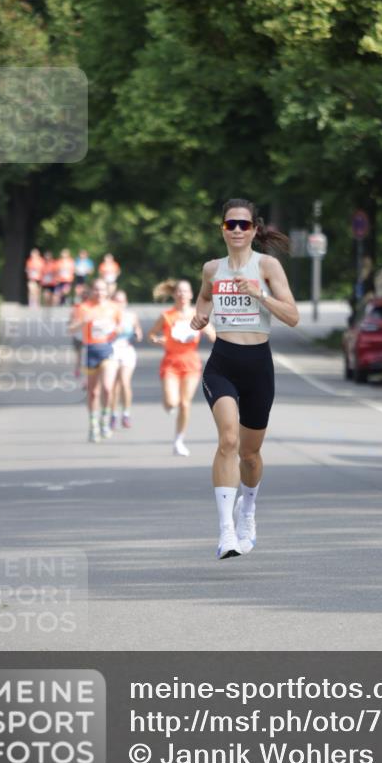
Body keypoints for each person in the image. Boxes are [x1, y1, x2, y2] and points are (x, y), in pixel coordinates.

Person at [191, 198, 299, 559]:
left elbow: (293, 316)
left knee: (250, 455)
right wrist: (200, 317)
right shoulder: (211, 269)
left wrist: (260, 295)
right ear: (222, 229)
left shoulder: (267, 266)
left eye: (243, 224)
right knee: (228, 440)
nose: (236, 230)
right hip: (222, 362)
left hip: (258, 365)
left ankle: (247, 511)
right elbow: (204, 298)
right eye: (230, 224)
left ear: (254, 229)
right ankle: (226, 534)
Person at [149, 279, 216, 456]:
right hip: (171, 362)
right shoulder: (167, 315)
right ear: (174, 294)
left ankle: (179, 441)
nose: (182, 294)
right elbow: (152, 333)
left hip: (191, 363)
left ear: (191, 295)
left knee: (185, 403)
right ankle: (169, 404)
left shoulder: (197, 315)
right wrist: (157, 339)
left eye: (185, 291)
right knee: (172, 402)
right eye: (179, 291)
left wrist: (209, 333)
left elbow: (213, 334)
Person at [71, 278, 122, 442]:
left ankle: (105, 420)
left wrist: (117, 329)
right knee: (93, 392)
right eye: (96, 290)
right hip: (90, 350)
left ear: (108, 292)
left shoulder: (114, 308)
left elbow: (120, 326)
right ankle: (93, 424)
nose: (100, 293)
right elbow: (70, 329)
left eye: (103, 290)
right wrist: (83, 322)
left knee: (107, 388)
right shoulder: (83, 308)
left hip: (108, 349)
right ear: (91, 291)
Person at [109, 290, 143, 429]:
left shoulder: (131, 316)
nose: (119, 303)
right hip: (110, 351)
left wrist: (137, 334)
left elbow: (139, 333)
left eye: (121, 301)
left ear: (126, 302)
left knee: (124, 382)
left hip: (127, 350)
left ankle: (126, 414)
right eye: (116, 301)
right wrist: (112, 331)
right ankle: (113, 414)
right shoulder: (107, 315)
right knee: (113, 386)